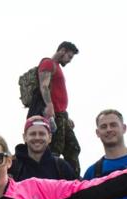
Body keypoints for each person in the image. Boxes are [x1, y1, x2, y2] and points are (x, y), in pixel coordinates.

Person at [37, 41, 80, 176]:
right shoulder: (48, 63)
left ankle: (74, 180)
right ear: (62, 50)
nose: (70, 60)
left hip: (62, 114)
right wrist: (49, 106)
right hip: (54, 115)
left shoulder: (57, 67)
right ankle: (52, 180)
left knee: (73, 147)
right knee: (55, 149)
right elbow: (43, 86)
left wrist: (66, 116)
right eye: (70, 56)